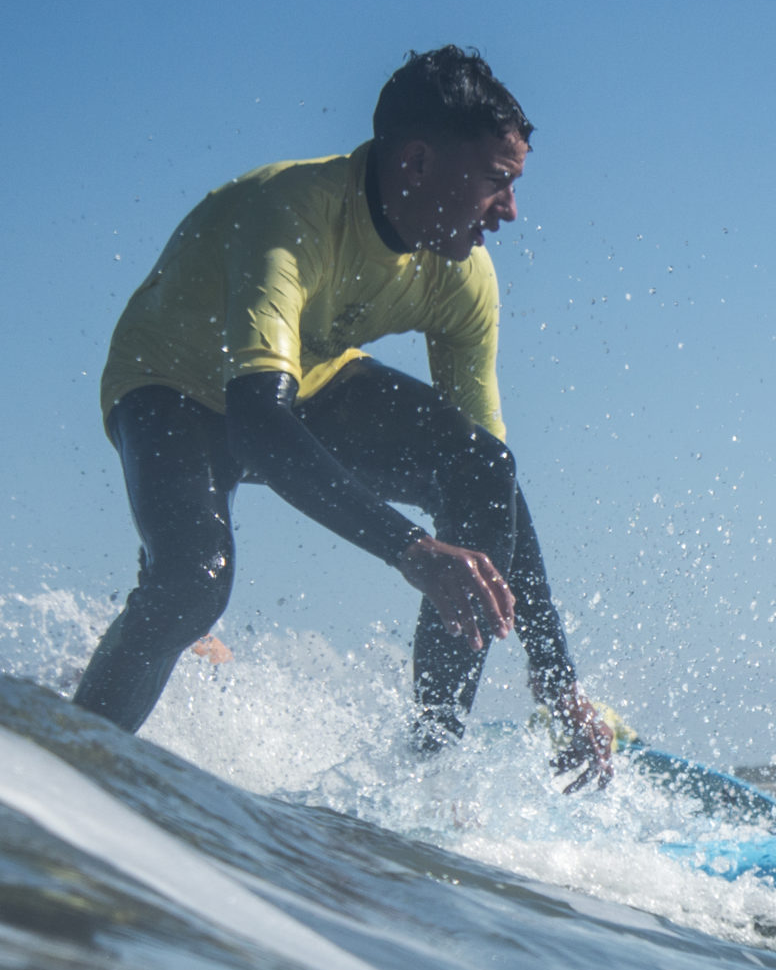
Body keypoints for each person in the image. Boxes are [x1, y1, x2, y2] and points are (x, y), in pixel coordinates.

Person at [72, 46, 614, 791]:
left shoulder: (462, 277)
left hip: (307, 384)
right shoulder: (289, 215)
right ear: (418, 163)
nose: (511, 211)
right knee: (193, 579)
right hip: (170, 386)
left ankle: (427, 769)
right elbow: (258, 423)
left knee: (480, 470)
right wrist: (411, 549)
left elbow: (494, 484)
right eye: (497, 182)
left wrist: (558, 686)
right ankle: (69, 770)